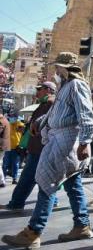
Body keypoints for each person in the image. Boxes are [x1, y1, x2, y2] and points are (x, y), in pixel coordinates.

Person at [2, 52, 93, 248]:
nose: (55, 70)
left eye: (58, 67)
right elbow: (56, 112)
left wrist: (85, 142)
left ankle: (33, 231)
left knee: (48, 181)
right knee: (72, 184)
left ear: (65, 68)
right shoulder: (65, 86)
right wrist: (40, 122)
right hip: (59, 138)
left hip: (66, 140)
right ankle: (82, 225)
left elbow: (87, 114)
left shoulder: (77, 85)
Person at [2, 82, 56, 211]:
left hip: (39, 148)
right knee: (42, 178)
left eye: (40, 89)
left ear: (48, 90)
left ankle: (16, 203)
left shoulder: (49, 103)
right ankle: (18, 202)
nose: (37, 92)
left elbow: (44, 125)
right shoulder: (45, 103)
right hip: (38, 147)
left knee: (28, 178)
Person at [2, 115, 24, 184]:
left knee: (15, 164)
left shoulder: (19, 124)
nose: (12, 118)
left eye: (13, 117)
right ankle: (3, 178)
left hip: (16, 148)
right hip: (7, 148)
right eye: (11, 117)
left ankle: (14, 179)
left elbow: (22, 129)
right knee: (5, 164)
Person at [0, 114, 9, 187]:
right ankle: (2, 181)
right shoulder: (5, 120)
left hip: (1, 145)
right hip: (3, 145)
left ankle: (2, 181)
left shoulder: (1, 121)